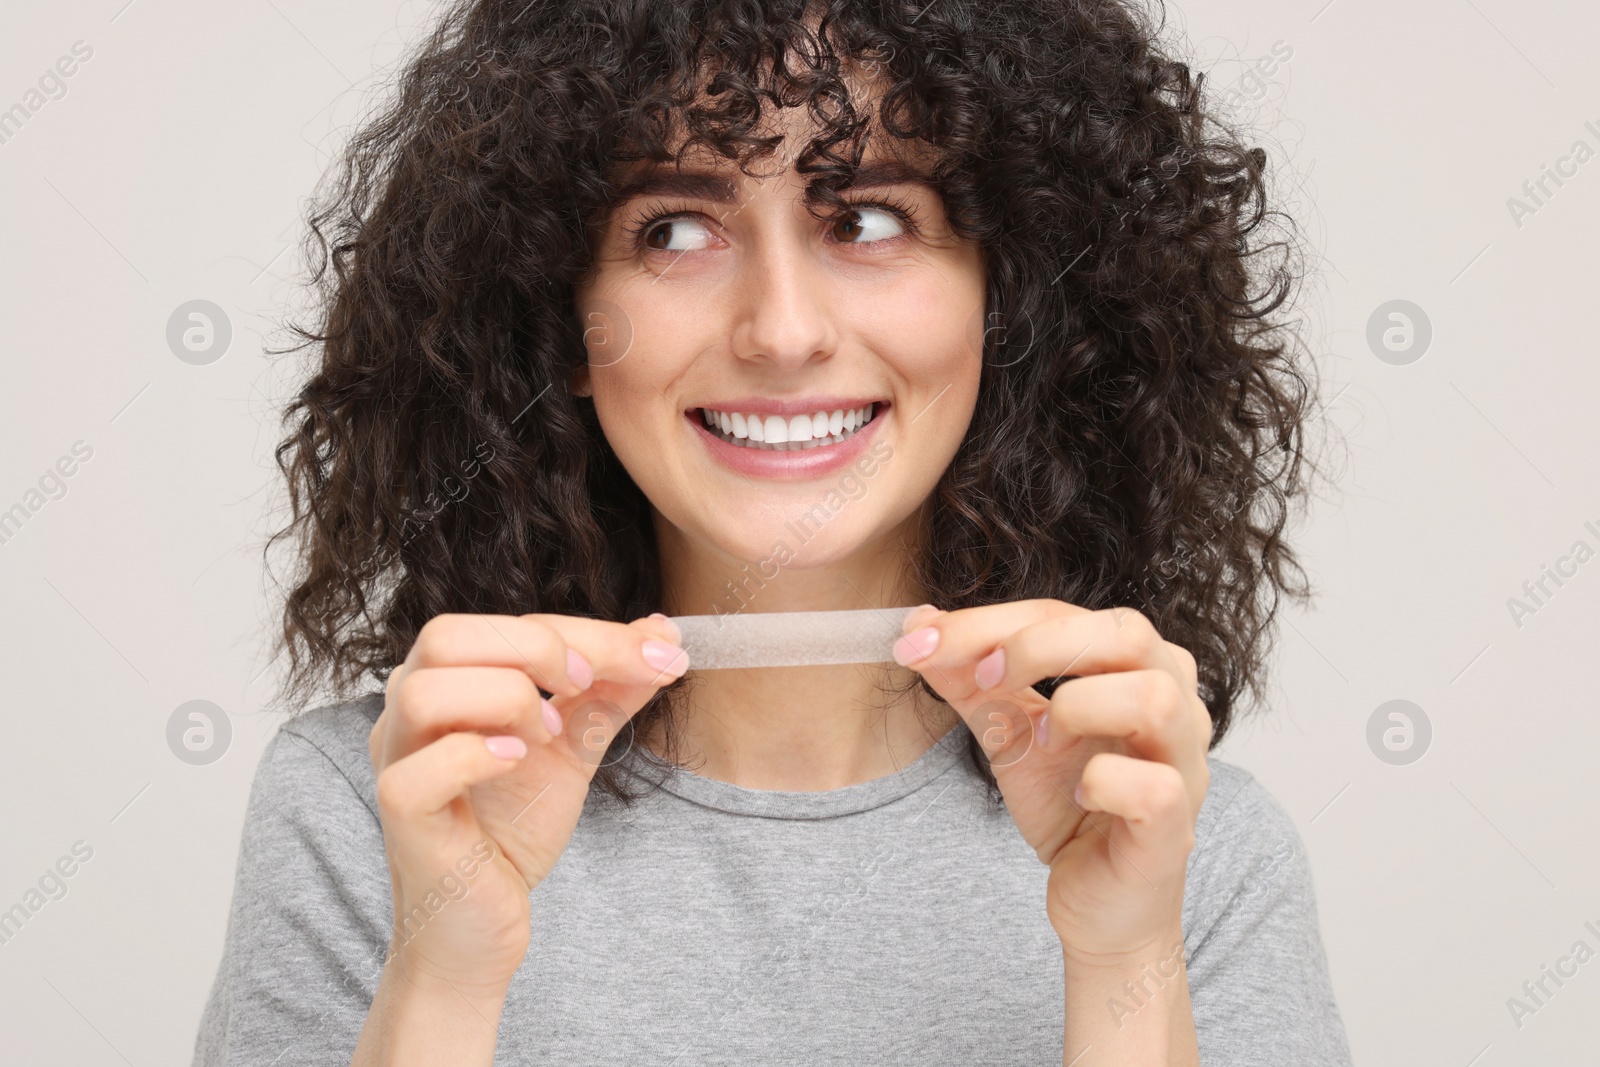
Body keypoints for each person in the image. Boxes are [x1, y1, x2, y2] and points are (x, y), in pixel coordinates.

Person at [193, 0, 1351, 1063]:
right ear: (555, 319)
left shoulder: (1178, 841)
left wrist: (1123, 960)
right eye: (676, 232)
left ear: (1011, 304)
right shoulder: (381, 806)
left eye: (869, 215)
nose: (782, 332)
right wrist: (444, 975)